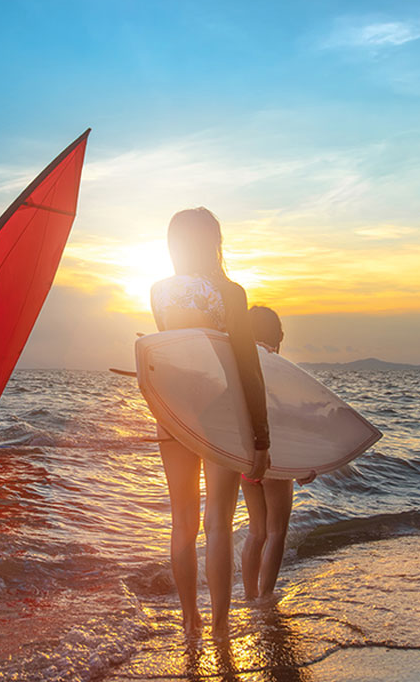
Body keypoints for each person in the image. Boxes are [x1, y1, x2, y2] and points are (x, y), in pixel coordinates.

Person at [149, 207, 271, 637]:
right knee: (217, 520)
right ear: (213, 242)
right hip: (220, 410)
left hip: (172, 410)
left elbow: (172, 350)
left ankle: (190, 622)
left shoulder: (158, 291)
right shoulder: (230, 293)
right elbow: (246, 368)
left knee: (181, 520)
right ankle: (220, 627)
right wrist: (261, 439)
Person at [239, 305, 314, 602]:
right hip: (275, 459)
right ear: (279, 335)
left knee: (256, 532)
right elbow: (290, 423)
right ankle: (265, 597)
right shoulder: (278, 369)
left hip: (244, 459)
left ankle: (248, 596)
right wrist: (303, 465)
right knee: (276, 532)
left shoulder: (240, 367)